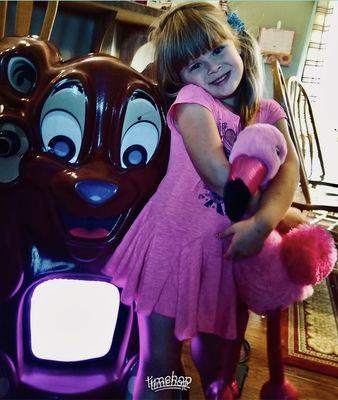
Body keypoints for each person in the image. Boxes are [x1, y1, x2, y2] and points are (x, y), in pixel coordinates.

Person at [103, 2, 300, 399]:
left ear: (237, 44)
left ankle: (217, 386)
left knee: (216, 358)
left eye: (216, 50)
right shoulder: (195, 101)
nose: (211, 67)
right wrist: (265, 204)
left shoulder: (267, 113)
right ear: (182, 77)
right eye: (194, 64)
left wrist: (263, 224)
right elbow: (216, 173)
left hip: (226, 256)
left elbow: (290, 173)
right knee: (161, 360)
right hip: (171, 249)